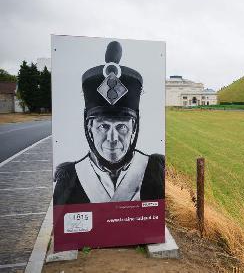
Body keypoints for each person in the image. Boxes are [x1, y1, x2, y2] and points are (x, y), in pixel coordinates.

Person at [53, 41, 164, 205]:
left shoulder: (154, 170)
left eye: (122, 127)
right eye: (103, 126)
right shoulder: (70, 177)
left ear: (134, 127)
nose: (112, 138)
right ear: (89, 127)